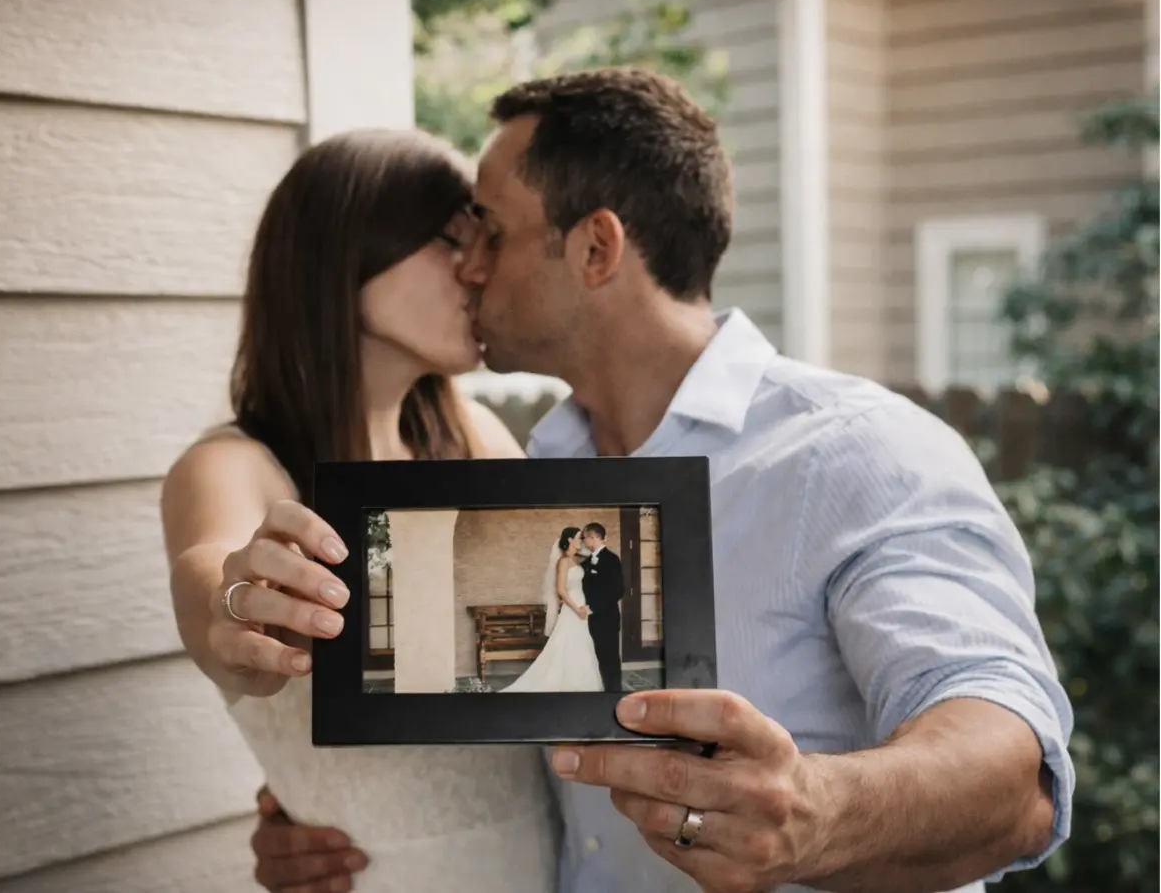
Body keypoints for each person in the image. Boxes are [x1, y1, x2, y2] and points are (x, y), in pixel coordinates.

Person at [250, 67, 1074, 893]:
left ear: (596, 249)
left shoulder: (856, 453)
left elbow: (1014, 775)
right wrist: (332, 822)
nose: (468, 267)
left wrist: (814, 813)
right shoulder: (524, 479)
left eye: (492, 232)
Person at [160, 127, 562, 893]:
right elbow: (210, 589)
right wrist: (239, 609)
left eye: (489, 242)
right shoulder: (231, 467)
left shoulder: (476, 437)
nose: (479, 272)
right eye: (452, 240)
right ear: (340, 255)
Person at [501, 526, 604, 693]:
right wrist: (577, 609)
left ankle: (579, 681)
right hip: (572, 609)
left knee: (580, 644)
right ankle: (565, 681)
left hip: (581, 606)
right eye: (579, 537)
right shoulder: (563, 561)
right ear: (570, 540)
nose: (582, 540)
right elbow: (561, 590)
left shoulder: (575, 560)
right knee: (566, 643)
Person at [577, 522, 625, 692]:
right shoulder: (587, 562)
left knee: (609, 658)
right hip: (589, 619)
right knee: (594, 658)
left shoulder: (611, 559)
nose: (583, 542)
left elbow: (617, 590)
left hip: (606, 618)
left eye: (584, 538)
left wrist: (593, 608)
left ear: (594, 537)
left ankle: (613, 694)